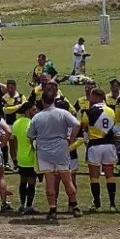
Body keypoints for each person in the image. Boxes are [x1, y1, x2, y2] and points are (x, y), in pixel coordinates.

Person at [27, 91, 82, 220]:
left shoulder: (37, 117)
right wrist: (71, 138)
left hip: (44, 151)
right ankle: (75, 205)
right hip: (61, 149)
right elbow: (77, 124)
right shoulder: (62, 113)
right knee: (67, 179)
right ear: (54, 101)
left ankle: (52, 209)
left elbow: (30, 135)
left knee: (49, 181)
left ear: (43, 101)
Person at [10, 102, 39, 214]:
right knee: (31, 183)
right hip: (31, 158)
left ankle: (22, 204)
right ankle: (29, 205)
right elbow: (33, 142)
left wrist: (14, 158)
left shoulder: (16, 123)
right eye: (33, 109)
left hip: (21, 158)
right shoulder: (32, 124)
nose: (36, 111)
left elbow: (13, 141)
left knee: (23, 182)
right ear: (27, 111)